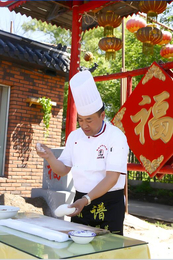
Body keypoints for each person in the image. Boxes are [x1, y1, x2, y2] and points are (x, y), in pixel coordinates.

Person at [36, 70, 129, 235]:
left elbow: (112, 177)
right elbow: (63, 168)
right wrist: (50, 157)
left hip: (108, 203)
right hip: (80, 201)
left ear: (102, 115)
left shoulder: (116, 136)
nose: (84, 125)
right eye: (80, 120)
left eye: (89, 120)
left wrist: (86, 199)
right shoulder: (75, 136)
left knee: (106, 251)